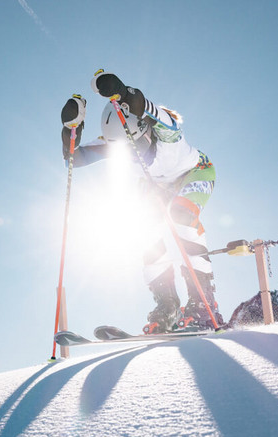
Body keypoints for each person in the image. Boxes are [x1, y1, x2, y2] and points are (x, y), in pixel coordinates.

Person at [60, 70, 224, 333]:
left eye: (137, 144)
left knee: (181, 216)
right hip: (157, 186)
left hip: (195, 173)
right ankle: (167, 305)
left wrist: (125, 94)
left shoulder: (166, 131)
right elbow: (75, 159)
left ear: (145, 129)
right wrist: (71, 132)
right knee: (143, 230)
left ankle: (204, 304)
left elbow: (152, 110)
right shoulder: (118, 142)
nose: (134, 153)